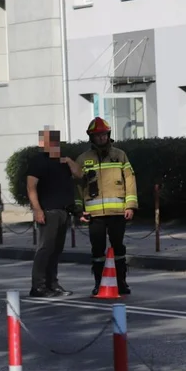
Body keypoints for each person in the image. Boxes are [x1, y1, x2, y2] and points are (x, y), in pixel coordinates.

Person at [74, 117, 137, 295]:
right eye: (97, 136)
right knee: (97, 250)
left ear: (108, 135)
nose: (101, 138)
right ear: (91, 138)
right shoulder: (83, 159)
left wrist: (130, 206)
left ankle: (121, 282)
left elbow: (130, 180)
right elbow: (78, 186)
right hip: (94, 215)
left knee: (119, 248)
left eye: (104, 135)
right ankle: (99, 283)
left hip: (118, 212)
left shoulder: (120, 155)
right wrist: (79, 210)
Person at [26, 128, 83, 297]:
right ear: (43, 144)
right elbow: (31, 187)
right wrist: (37, 210)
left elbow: (79, 174)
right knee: (45, 248)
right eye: (50, 142)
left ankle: (53, 283)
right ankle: (38, 286)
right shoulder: (38, 161)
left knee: (57, 249)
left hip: (63, 211)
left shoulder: (63, 161)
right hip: (48, 211)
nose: (54, 145)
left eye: (55, 142)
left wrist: (70, 162)